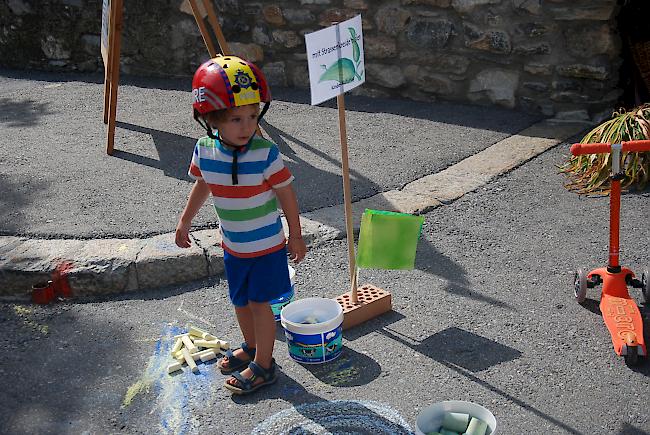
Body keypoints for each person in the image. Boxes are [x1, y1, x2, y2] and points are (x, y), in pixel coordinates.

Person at [175, 55, 307, 395]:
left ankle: (264, 366)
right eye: (236, 118)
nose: (247, 126)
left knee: (260, 304)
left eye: (252, 116)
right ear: (211, 118)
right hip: (233, 246)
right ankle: (251, 348)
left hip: (266, 248)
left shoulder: (265, 152)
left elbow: (287, 194)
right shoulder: (204, 150)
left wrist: (296, 234)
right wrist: (185, 222)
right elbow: (203, 184)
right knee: (240, 301)